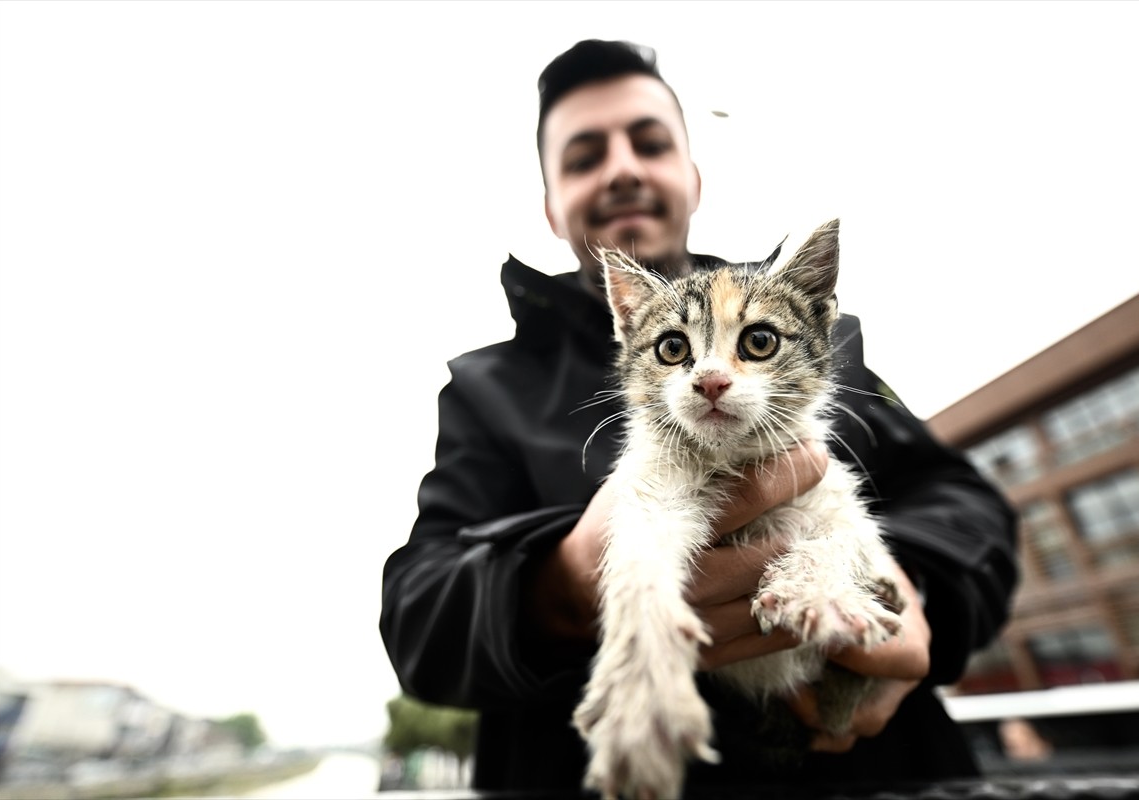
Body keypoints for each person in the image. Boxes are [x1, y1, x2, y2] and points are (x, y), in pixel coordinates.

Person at [380, 39, 1018, 796]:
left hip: (867, 772)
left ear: (692, 177)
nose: (622, 168)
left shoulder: (821, 341)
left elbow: (967, 504)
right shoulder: (484, 386)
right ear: (552, 207)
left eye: (650, 143)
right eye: (584, 156)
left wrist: (909, 592)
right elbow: (416, 618)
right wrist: (559, 585)